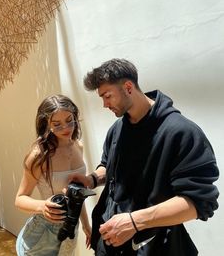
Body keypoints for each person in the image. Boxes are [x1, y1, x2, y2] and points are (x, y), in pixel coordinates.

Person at [68, 58, 219, 255]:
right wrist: (92, 179)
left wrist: (134, 222)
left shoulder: (181, 133)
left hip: (155, 247)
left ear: (128, 87)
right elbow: (109, 166)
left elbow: (199, 202)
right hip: (109, 243)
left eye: (107, 96)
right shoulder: (117, 129)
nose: (104, 104)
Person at [15, 94, 91, 256]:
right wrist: (42, 206)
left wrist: (86, 225)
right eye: (57, 124)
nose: (65, 128)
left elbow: (77, 193)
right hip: (42, 233)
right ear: (46, 124)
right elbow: (20, 199)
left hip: (71, 228)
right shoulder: (39, 155)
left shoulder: (79, 146)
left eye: (69, 120)